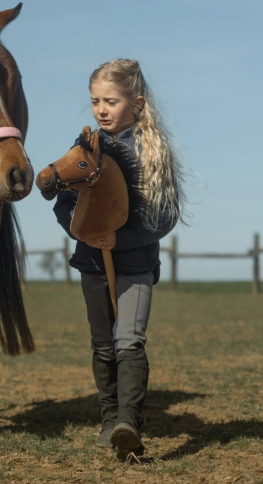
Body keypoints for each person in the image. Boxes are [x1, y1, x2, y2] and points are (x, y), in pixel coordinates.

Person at [53, 59, 183, 461]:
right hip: (92, 265)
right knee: (102, 345)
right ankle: (108, 420)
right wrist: (83, 230)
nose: (102, 109)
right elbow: (64, 203)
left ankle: (128, 421)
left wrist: (120, 238)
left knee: (128, 341)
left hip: (135, 268)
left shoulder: (151, 152)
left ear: (137, 103)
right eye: (95, 101)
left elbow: (163, 217)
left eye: (111, 100)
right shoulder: (86, 147)